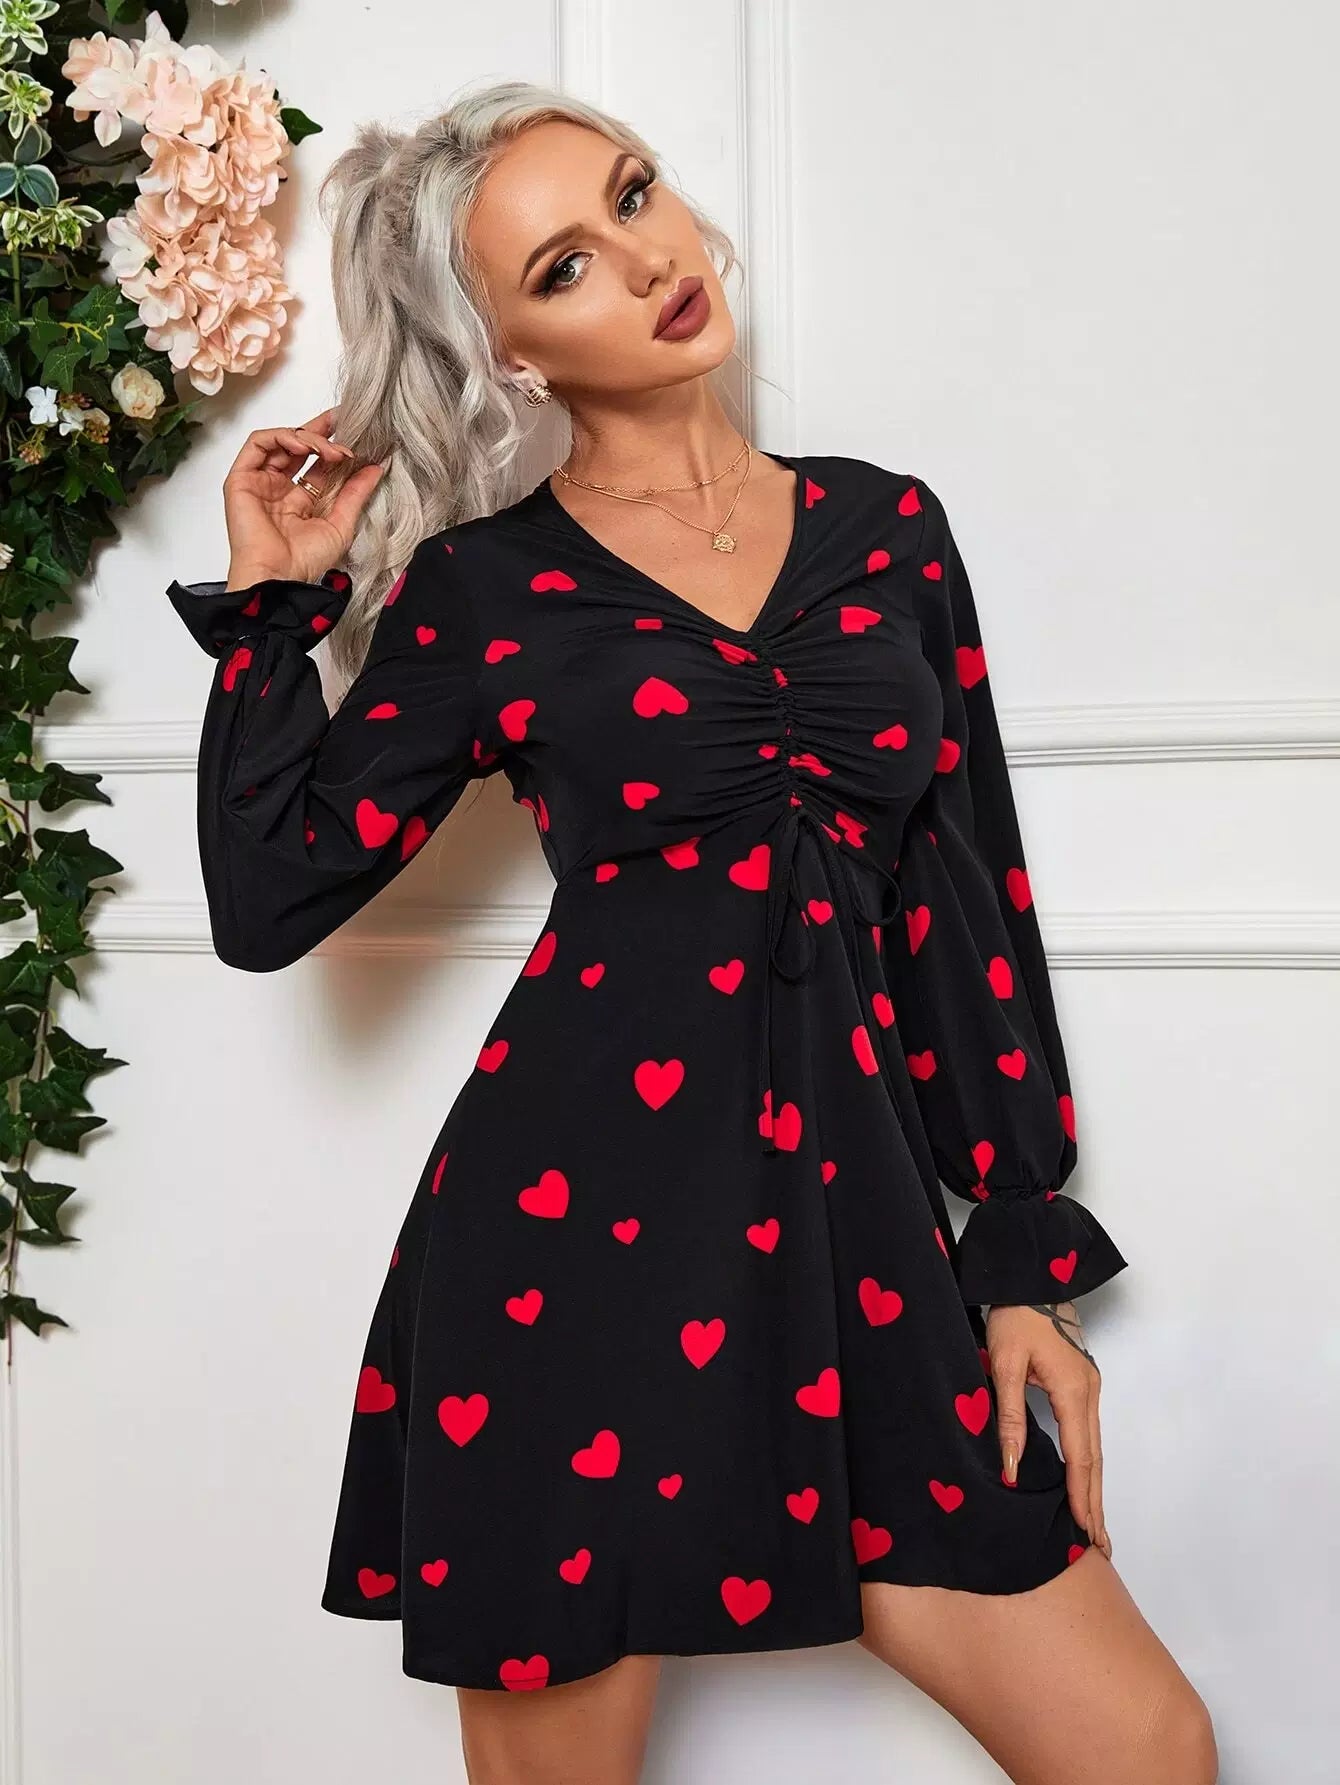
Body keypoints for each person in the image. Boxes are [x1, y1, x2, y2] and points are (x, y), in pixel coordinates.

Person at [164, 79, 1217, 1785]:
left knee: (1143, 1747)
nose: (649, 259)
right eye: (565, 266)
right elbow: (270, 894)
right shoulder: (486, 589)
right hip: (569, 1259)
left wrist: (1021, 1241)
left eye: (635, 194)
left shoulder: (890, 530)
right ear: (514, 354)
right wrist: (277, 605)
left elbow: (967, 893)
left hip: (863, 1244)